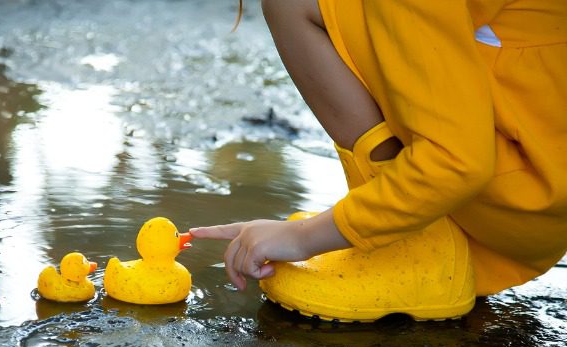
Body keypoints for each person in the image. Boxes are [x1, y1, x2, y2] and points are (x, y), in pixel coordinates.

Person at [190, 0, 567, 321]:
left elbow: (456, 163)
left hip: (528, 193)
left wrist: (306, 237)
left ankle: (417, 246)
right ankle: (403, 221)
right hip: (546, 169)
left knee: (291, 4)